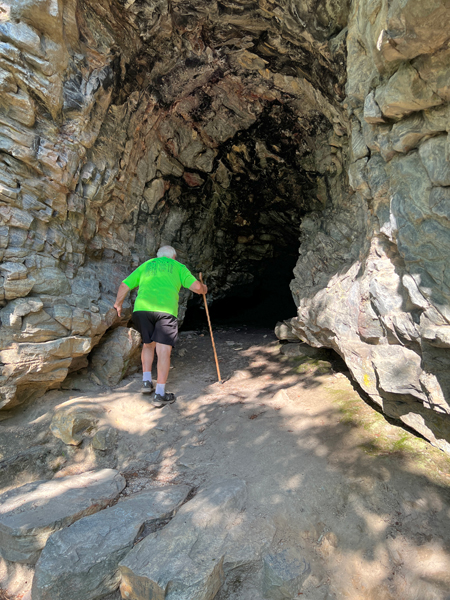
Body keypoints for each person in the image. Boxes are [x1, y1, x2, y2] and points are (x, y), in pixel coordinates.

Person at [113, 245, 207, 407]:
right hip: (165, 311)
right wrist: (204, 288)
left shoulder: (147, 265)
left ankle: (146, 382)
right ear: (174, 257)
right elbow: (197, 288)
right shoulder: (178, 267)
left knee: (148, 345)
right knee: (164, 350)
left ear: (158, 256)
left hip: (142, 311)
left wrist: (118, 304)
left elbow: (124, 285)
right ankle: (160, 394)